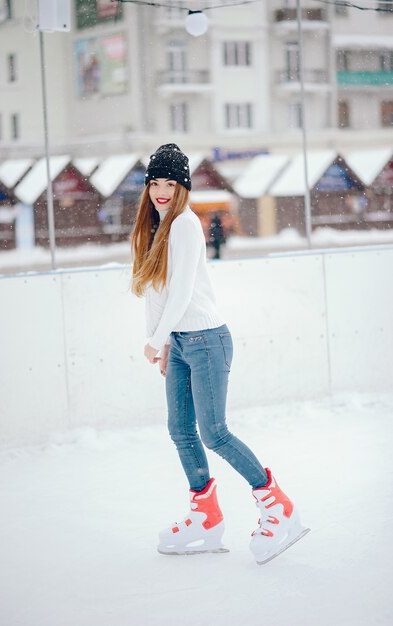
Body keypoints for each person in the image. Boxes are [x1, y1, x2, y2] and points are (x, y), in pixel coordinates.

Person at [131, 144, 309, 564]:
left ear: (183, 187)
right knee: (180, 429)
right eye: (155, 182)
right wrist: (160, 341)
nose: (161, 190)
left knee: (214, 432)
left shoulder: (186, 225)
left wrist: (156, 339)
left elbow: (182, 292)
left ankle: (277, 504)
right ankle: (206, 516)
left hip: (207, 339)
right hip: (180, 343)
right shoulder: (155, 226)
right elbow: (155, 291)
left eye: (169, 183)